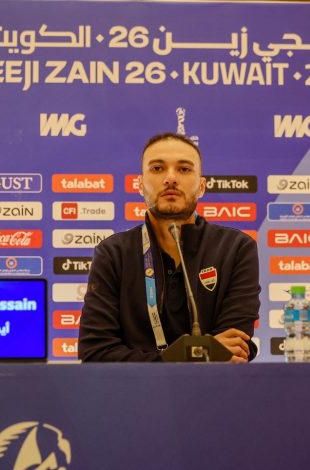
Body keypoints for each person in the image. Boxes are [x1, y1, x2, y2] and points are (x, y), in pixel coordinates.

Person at [78, 132, 260, 362]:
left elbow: (235, 349)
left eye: (184, 169)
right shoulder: (113, 253)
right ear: (140, 185)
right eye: (157, 168)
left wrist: (167, 360)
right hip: (136, 387)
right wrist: (184, 357)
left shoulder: (236, 248)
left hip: (210, 387)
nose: (170, 178)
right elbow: (95, 353)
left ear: (201, 187)